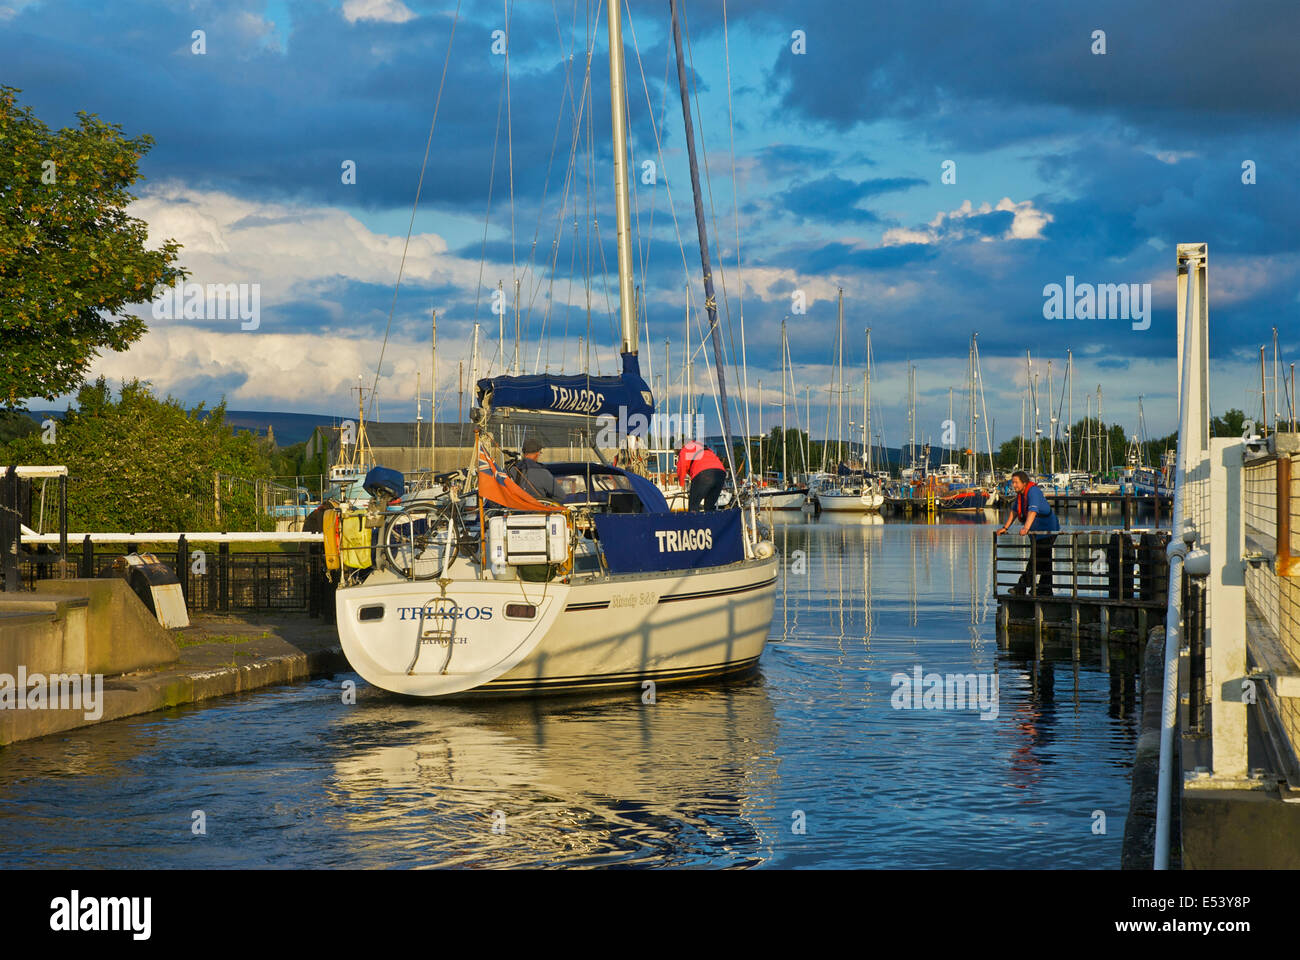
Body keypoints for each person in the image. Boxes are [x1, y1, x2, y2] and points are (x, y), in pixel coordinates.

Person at [996, 470, 1060, 596]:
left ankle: (1022, 586)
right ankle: (1045, 589)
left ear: (1024, 483)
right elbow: (1014, 512)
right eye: (1012, 483)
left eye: (1016, 483)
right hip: (1035, 532)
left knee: (1036, 559)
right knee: (1045, 559)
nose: (1013, 485)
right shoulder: (1020, 495)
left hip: (1048, 530)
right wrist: (1005, 527)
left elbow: (1032, 511)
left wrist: (1025, 528)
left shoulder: (1033, 492)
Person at [676, 439, 726, 511]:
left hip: (703, 473)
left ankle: (693, 521)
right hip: (720, 473)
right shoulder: (705, 448)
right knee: (709, 507)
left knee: (693, 506)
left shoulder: (685, 449)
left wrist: (681, 483)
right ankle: (711, 521)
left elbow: (681, 466)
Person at [508, 438, 559, 502]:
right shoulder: (543, 472)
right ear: (537, 454)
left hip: (517, 509)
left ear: (523, 453)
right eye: (540, 452)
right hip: (539, 509)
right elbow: (554, 495)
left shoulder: (511, 470)